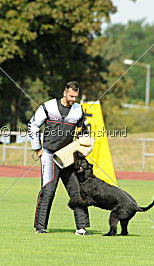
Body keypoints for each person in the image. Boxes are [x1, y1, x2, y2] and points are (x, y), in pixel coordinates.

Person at [28, 81, 91, 235]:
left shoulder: (78, 110)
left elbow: (84, 131)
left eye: (76, 96)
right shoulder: (48, 106)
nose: (73, 99)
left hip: (68, 157)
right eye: (71, 96)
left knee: (77, 191)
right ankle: (40, 227)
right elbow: (33, 125)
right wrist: (37, 148)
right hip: (49, 155)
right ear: (65, 93)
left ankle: (81, 228)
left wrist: (85, 146)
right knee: (48, 191)